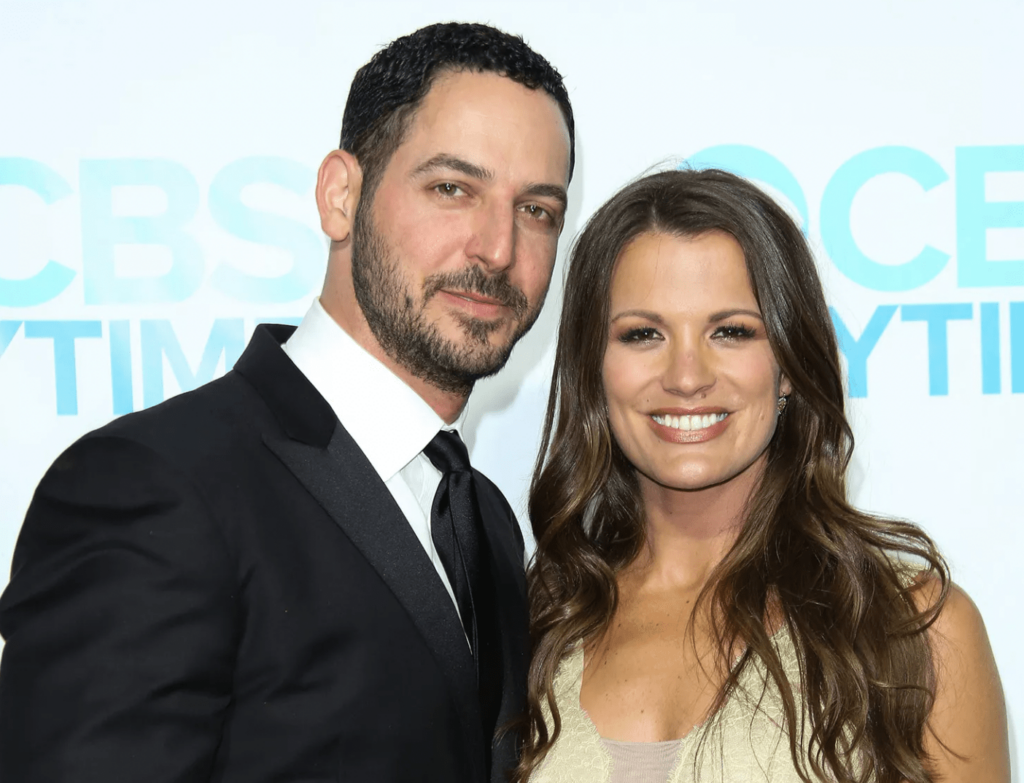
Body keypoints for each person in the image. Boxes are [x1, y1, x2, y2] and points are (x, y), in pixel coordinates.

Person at [0, 22, 574, 783]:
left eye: (537, 210)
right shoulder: (151, 485)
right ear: (340, 196)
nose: (498, 248)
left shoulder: (487, 520)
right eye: (452, 188)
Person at [516, 169, 1008, 783]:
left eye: (732, 332)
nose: (687, 376)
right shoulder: (532, 626)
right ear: (593, 368)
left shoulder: (912, 627)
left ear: (790, 367)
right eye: (643, 334)